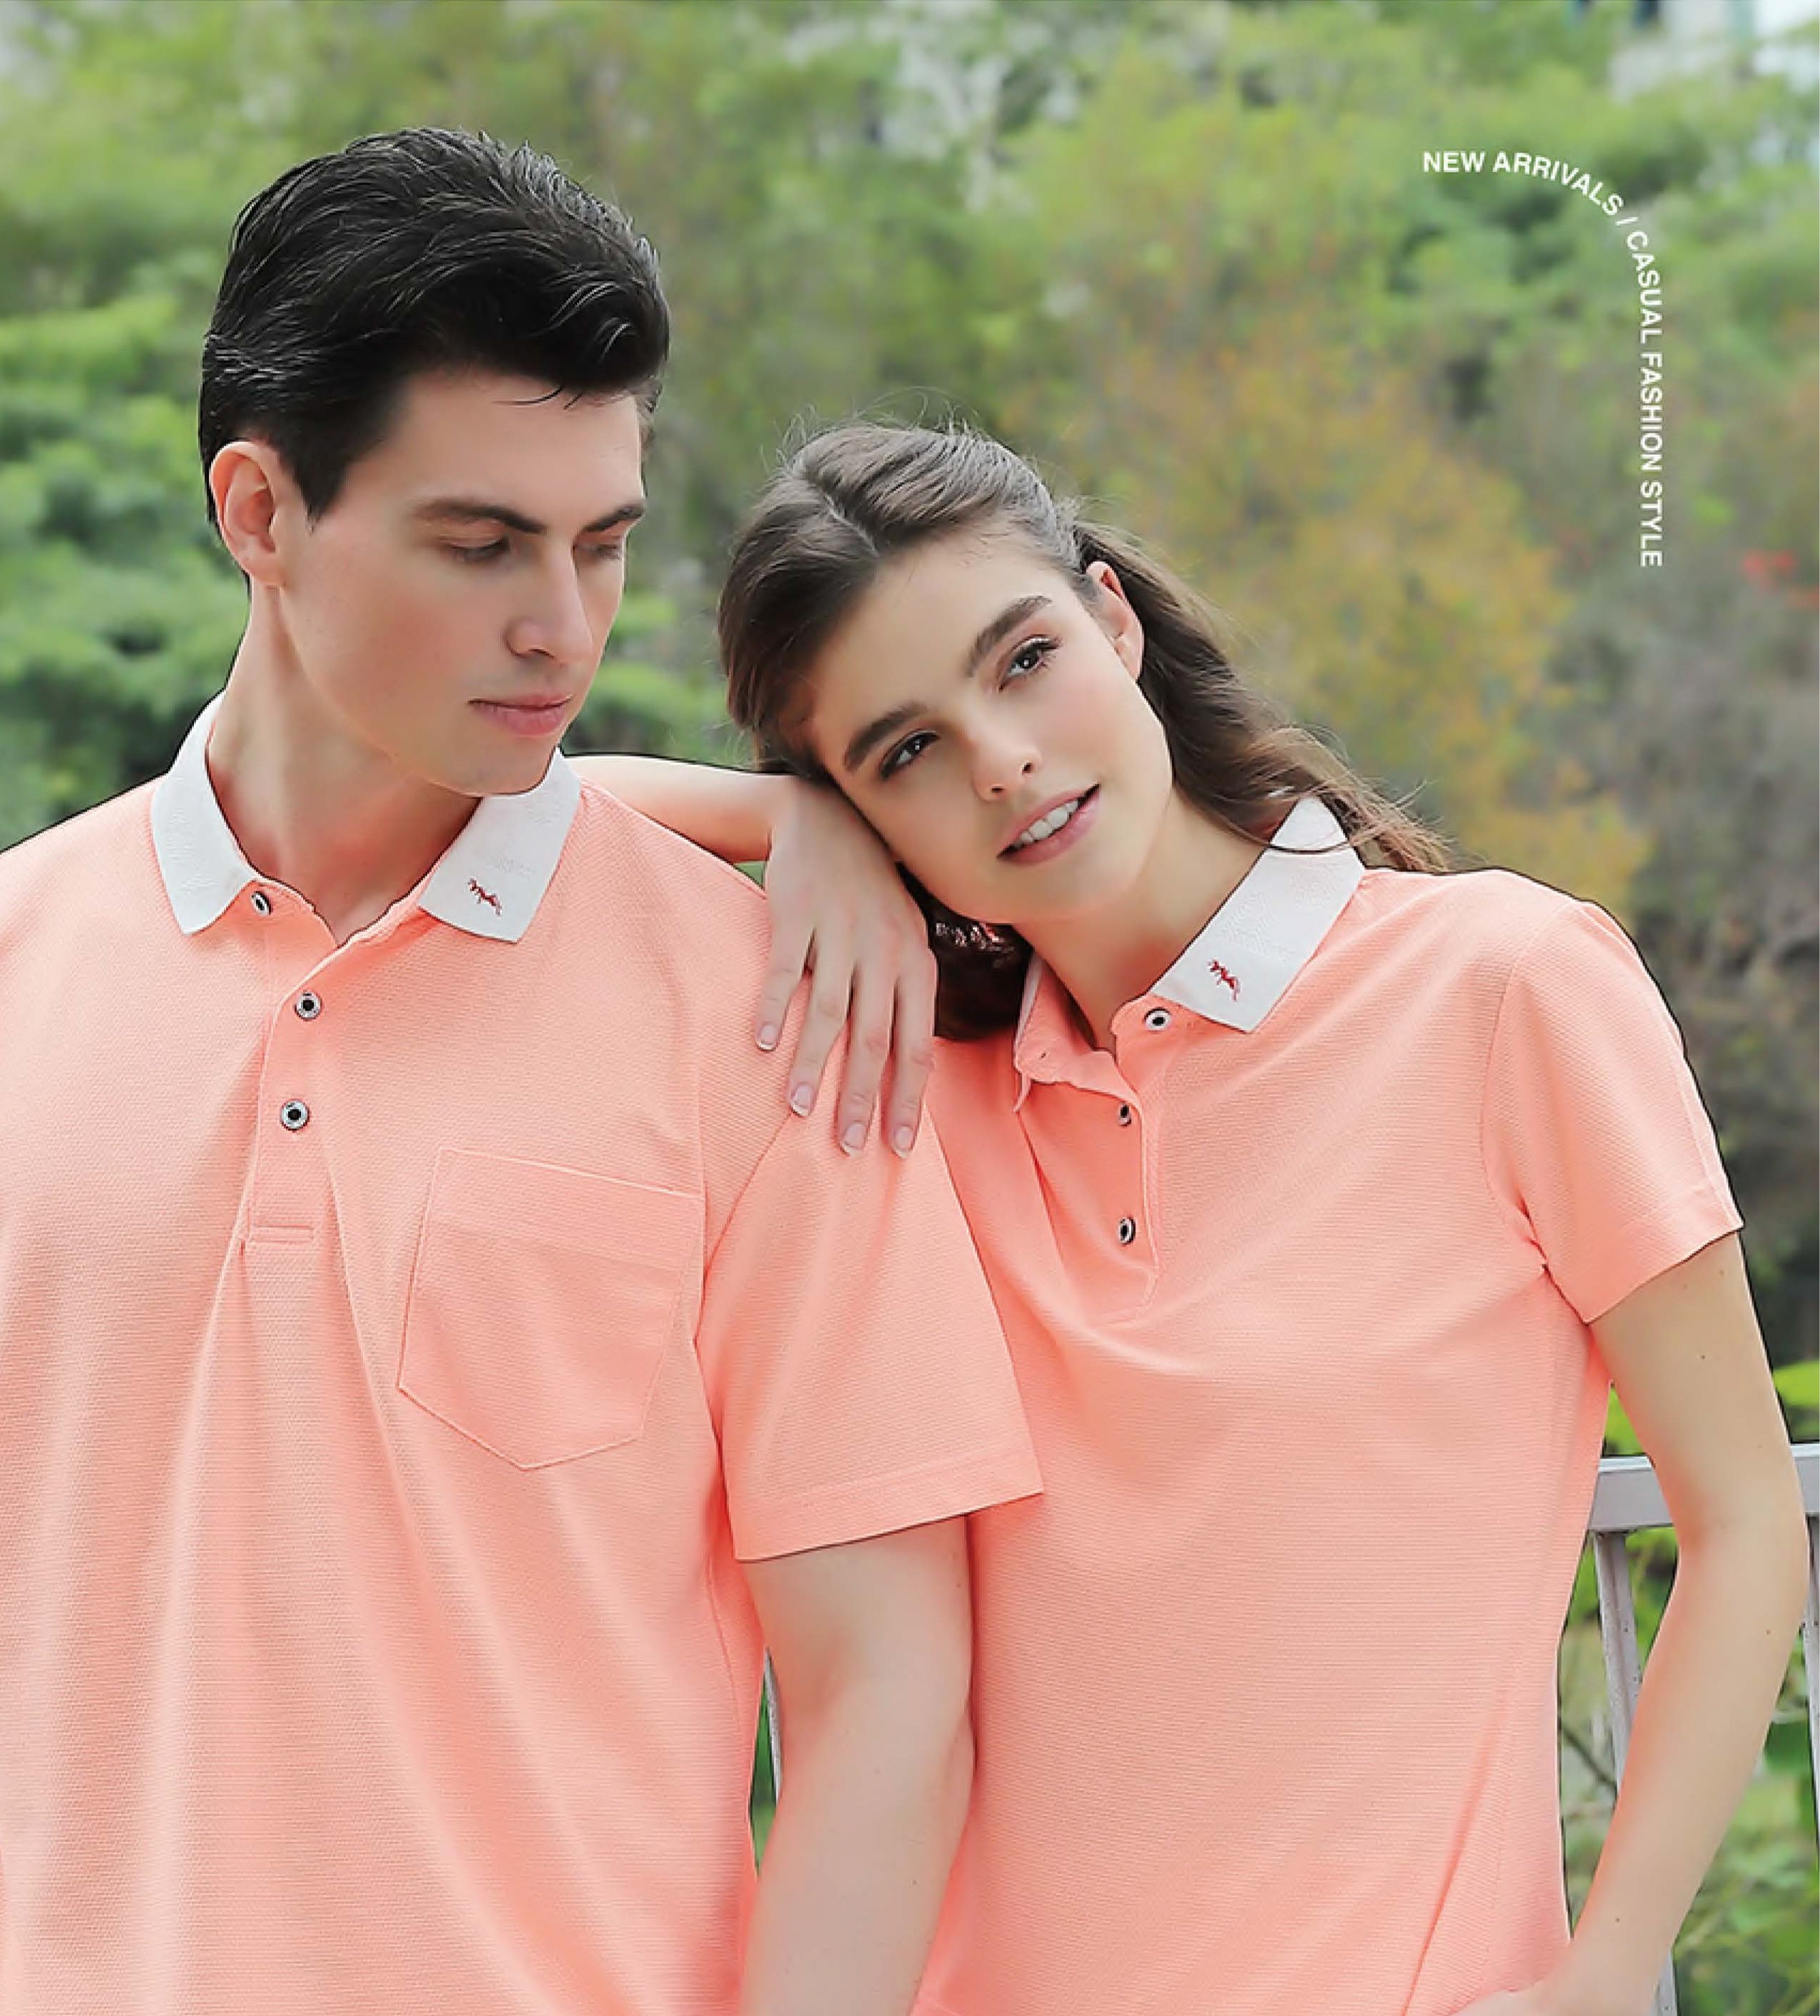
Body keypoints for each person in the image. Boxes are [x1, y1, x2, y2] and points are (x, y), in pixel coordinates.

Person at [577, 420, 1811, 2016]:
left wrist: (1610, 1965)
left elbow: (1743, 1517)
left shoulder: (1505, 987)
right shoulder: (900, 1098)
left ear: (1114, 620)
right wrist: (785, 827)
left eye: (1022, 661)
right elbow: (515, 823)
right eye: (905, 753)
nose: (1000, 761)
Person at [0, 143, 1043, 2015]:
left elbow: (886, 1691)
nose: (566, 624)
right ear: (260, 509)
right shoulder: (20, 968)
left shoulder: (775, 1011)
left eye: (604, 542)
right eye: (482, 546)